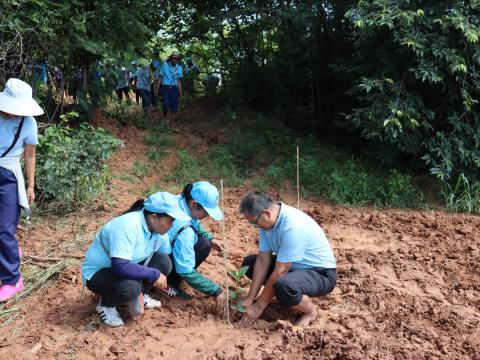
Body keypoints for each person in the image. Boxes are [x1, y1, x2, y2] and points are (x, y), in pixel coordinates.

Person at [81, 192, 190, 327]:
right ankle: (106, 304)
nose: (171, 225)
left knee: (164, 262)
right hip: (99, 273)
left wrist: (188, 272)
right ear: (153, 217)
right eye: (170, 220)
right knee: (131, 287)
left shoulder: (159, 233)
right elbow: (119, 266)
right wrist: (154, 274)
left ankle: (141, 294)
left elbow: (169, 257)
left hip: (126, 267)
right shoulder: (128, 225)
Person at [238, 191, 337, 327]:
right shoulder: (267, 223)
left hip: (320, 273)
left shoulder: (293, 227)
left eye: (254, 223)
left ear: (266, 213)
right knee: (250, 263)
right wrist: (250, 299)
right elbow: (263, 260)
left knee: (284, 285)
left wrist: (259, 306)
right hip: (293, 268)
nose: (256, 227)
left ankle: (310, 311)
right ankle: (283, 294)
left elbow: (280, 271)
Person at [0, 78, 43, 302]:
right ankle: (10, 254)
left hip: (8, 174)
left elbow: (30, 154)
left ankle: (12, 279)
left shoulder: (29, 123)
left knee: (5, 229)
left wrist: (30, 184)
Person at [160, 182, 226, 313]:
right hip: (157, 259)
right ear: (194, 204)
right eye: (206, 212)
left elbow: (194, 222)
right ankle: (169, 284)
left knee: (204, 243)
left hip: (157, 247)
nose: (207, 216)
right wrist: (215, 290)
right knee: (200, 249)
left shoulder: (179, 200)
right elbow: (185, 270)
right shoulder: (185, 232)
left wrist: (210, 238)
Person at [159, 51, 183, 127]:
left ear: (178, 60)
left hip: (174, 89)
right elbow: (160, 77)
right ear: (171, 58)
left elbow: (179, 81)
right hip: (166, 88)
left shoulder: (180, 68)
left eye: (176, 59)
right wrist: (156, 89)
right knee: (166, 104)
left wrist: (180, 92)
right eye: (173, 58)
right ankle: (165, 114)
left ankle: (171, 123)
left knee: (174, 106)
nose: (174, 60)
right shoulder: (164, 66)